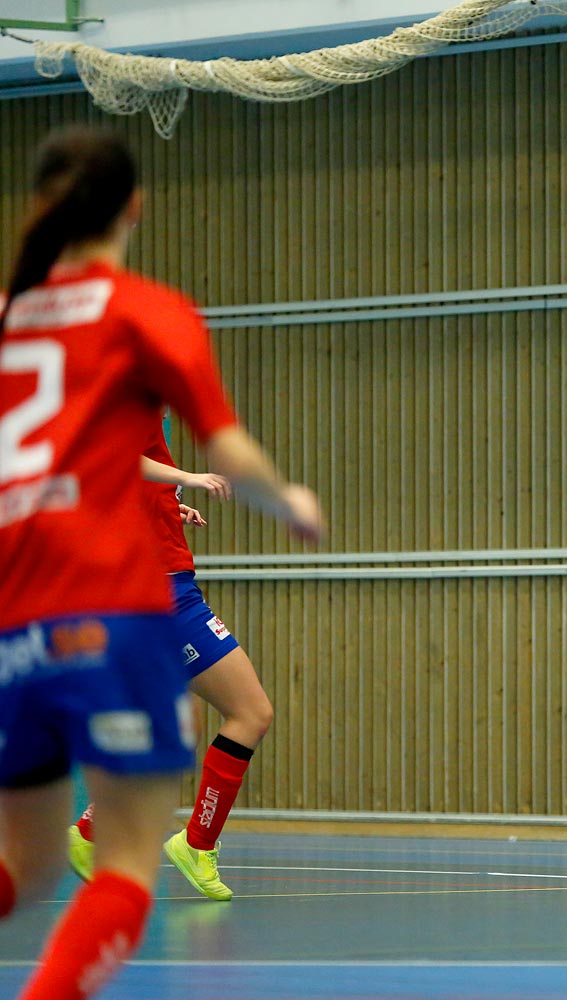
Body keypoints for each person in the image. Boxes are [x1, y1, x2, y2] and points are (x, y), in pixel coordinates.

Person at [0, 125, 323, 1000]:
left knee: (21, 868)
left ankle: (167, 834)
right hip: (115, 608)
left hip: (14, 619)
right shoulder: (144, 310)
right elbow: (230, 448)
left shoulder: (9, 315)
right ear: (135, 207)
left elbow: (55, 460)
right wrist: (286, 501)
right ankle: (176, 845)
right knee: (123, 874)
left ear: (39, 208)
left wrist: (156, 495)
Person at [67, 425, 272, 902]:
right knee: (250, 712)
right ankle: (194, 843)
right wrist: (190, 477)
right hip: (161, 593)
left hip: (154, 586)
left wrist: (165, 504)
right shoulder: (130, 400)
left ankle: (93, 830)